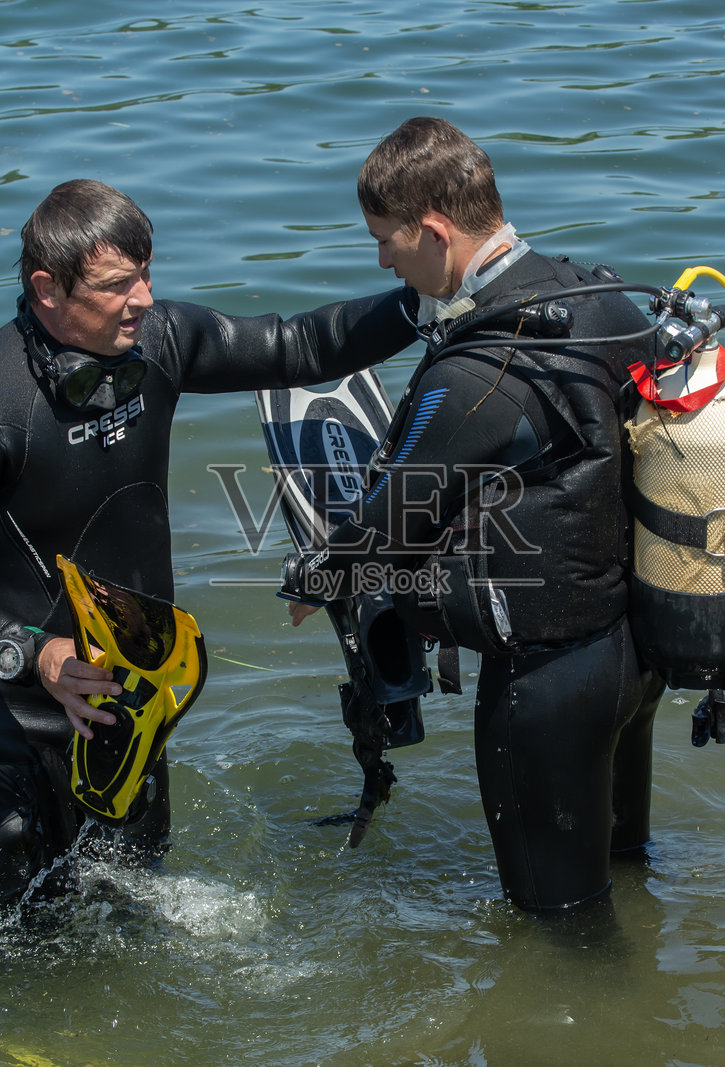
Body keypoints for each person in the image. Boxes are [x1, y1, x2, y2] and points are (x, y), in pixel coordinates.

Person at [0, 178, 415, 908]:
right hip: (8, 729)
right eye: (115, 285)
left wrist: (436, 300)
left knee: (131, 918)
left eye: (145, 274)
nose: (142, 298)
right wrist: (34, 651)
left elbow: (300, 346)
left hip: (131, 711)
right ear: (47, 288)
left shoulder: (158, 341)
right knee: (14, 967)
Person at [279, 118, 667, 912]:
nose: (382, 259)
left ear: (434, 229)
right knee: (626, 870)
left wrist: (310, 578)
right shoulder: (597, 297)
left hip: (548, 690)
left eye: (386, 240)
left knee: (560, 934)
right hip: (638, 650)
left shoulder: (476, 372)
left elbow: (386, 528)